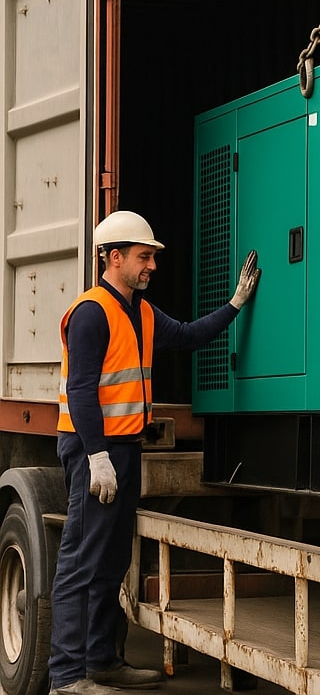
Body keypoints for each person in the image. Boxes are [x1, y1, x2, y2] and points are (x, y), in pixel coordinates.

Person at [48, 210, 261, 695]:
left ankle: (102, 661)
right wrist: (97, 457)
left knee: (111, 560)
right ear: (114, 256)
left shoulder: (140, 312)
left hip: (123, 450)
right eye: (144, 257)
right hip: (92, 452)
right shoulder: (90, 313)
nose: (152, 266)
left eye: (152, 258)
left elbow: (186, 337)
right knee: (80, 562)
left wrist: (234, 305)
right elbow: (81, 391)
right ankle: (66, 677)